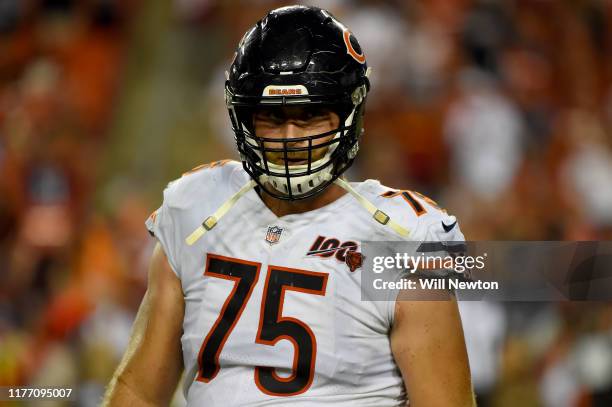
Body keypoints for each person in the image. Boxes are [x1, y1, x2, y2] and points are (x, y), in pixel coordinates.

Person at [103, 5, 474, 406]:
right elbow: (139, 391)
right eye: (272, 117)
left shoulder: (402, 237)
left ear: (349, 113)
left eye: (311, 114)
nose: (291, 136)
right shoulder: (197, 208)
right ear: (244, 118)